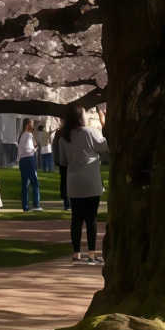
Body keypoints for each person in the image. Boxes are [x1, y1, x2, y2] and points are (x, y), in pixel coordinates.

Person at [56, 103, 109, 265]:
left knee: (76, 219)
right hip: (91, 180)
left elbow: (63, 161)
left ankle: (76, 254)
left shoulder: (64, 138)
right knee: (91, 219)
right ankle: (91, 255)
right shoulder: (91, 132)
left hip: (74, 182)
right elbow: (104, 147)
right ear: (81, 116)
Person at [17, 118, 41, 211]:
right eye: (32, 124)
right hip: (29, 160)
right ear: (28, 125)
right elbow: (28, 149)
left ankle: (25, 206)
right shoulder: (28, 135)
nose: (33, 126)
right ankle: (36, 204)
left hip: (22, 161)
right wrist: (35, 149)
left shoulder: (22, 135)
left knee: (25, 185)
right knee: (35, 183)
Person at [51, 125, 70, 210]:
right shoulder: (64, 133)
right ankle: (68, 202)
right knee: (67, 181)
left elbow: (55, 147)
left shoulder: (59, 133)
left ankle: (67, 203)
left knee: (64, 181)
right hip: (68, 161)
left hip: (62, 161)